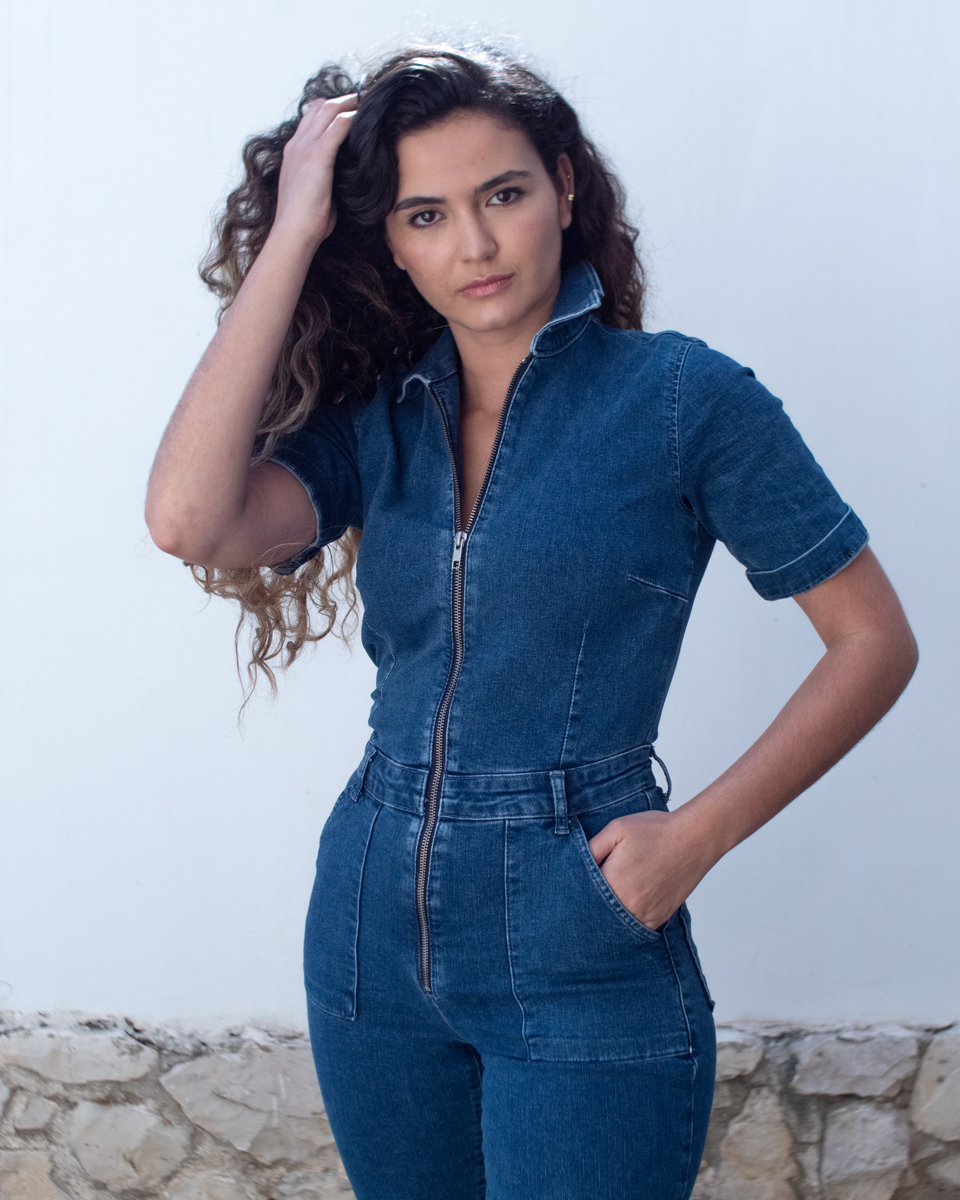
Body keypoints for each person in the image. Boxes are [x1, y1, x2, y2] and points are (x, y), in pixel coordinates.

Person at [145, 44, 918, 1200]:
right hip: (368, 922)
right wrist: (295, 230)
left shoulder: (684, 400)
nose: (475, 244)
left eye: (501, 194)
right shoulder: (381, 420)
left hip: (581, 929)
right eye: (424, 215)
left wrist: (692, 841)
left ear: (562, 185)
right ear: (388, 241)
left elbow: (873, 642)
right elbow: (188, 519)